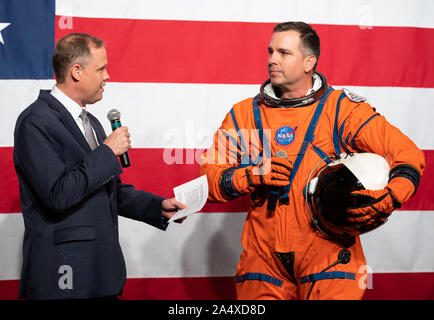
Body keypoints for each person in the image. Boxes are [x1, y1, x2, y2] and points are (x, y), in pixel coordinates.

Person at [199, 22, 425, 300]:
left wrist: (392, 195)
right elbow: (208, 181)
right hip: (262, 259)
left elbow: (407, 153)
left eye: (284, 53)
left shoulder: (342, 109)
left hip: (327, 254)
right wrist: (251, 176)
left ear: (309, 62)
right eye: (270, 51)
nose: (272, 59)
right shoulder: (244, 115)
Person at [13, 33, 186, 300]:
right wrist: (107, 151)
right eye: (102, 68)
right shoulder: (35, 122)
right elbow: (58, 193)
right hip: (64, 278)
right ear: (77, 72)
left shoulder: (91, 122)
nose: (108, 76)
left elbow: (109, 191)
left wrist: (157, 207)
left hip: (101, 275)